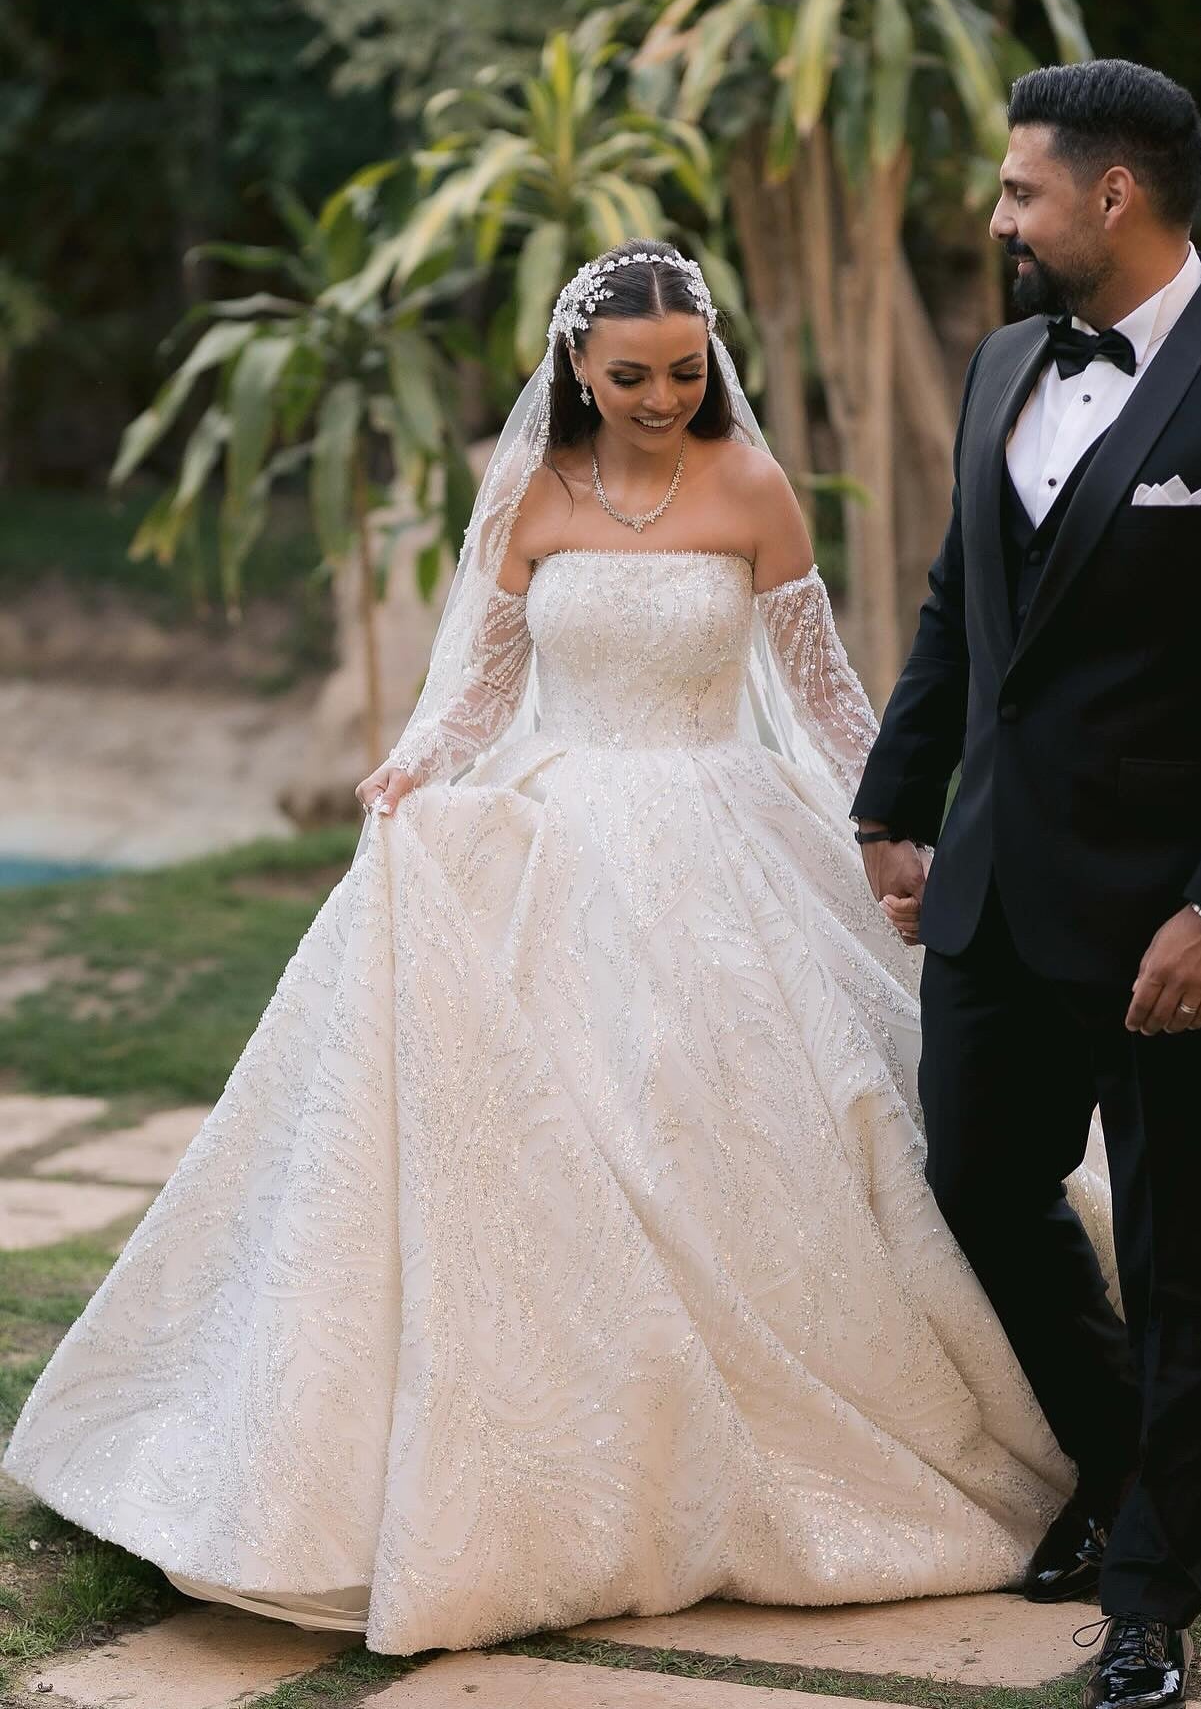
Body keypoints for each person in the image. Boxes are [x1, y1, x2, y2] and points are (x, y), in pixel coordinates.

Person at [5, 240, 1101, 1656]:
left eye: (686, 372)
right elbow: (478, 682)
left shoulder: (751, 488)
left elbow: (825, 690)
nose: (661, 397)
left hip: (727, 834)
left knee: (759, 1116)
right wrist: (412, 768)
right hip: (563, 831)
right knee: (547, 1122)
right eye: (631, 374)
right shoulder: (528, 493)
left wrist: (892, 825)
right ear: (575, 365)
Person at [852, 60, 1201, 1709]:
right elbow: (955, 605)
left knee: (1181, 1263)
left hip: (1163, 925)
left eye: (1018, 191)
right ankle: (1138, 1473)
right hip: (992, 889)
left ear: (1110, 197)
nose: (997, 216)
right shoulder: (1004, 360)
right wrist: (892, 805)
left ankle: (1146, 1607)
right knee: (981, 1180)